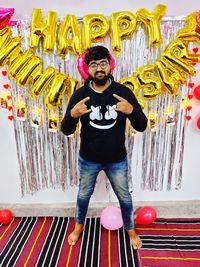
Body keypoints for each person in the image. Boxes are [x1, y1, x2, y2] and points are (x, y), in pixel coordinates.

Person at [61, 45, 148, 249]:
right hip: (88, 158)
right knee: (83, 196)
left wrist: (131, 110)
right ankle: (78, 227)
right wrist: (72, 116)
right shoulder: (81, 94)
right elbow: (66, 130)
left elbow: (142, 125)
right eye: (93, 64)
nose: (99, 68)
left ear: (110, 65)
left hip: (117, 159)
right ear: (87, 69)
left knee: (124, 196)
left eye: (102, 63)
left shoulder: (123, 92)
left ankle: (131, 230)